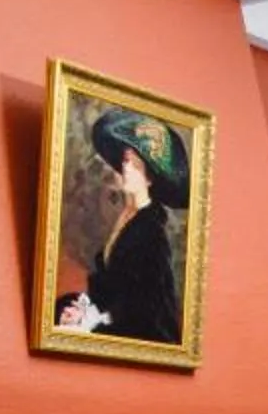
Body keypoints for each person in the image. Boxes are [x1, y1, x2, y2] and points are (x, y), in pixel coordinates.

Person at [53, 106, 189, 344]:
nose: (125, 169)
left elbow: (145, 320)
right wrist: (81, 310)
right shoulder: (128, 216)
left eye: (135, 165)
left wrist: (91, 327)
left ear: (150, 178)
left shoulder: (150, 234)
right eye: (125, 161)